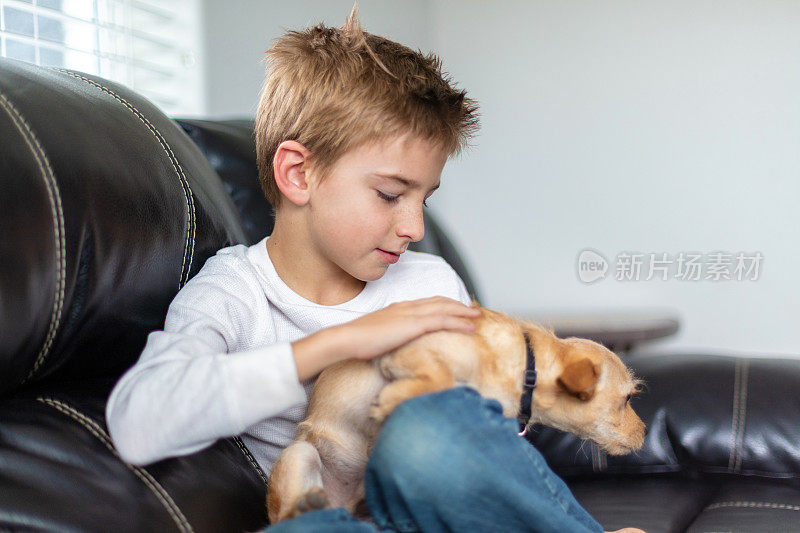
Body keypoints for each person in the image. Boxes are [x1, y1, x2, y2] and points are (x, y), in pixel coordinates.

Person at [106, 7, 643, 533]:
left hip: (427, 513)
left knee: (423, 430)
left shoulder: (430, 284)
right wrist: (341, 343)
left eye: (424, 200)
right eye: (390, 194)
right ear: (299, 174)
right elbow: (138, 424)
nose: (413, 226)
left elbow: (477, 458)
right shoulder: (234, 295)